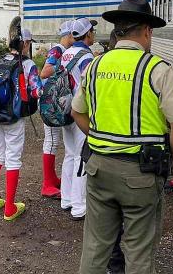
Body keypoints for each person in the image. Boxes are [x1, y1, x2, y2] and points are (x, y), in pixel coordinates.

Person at [72, 0, 173, 274]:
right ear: (147, 31)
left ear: (118, 30)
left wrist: (102, 140)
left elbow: (77, 113)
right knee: (139, 251)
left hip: (99, 168)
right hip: (142, 172)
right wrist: (168, 159)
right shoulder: (157, 69)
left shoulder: (95, 66)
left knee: (95, 247)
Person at [0, 28, 41, 221]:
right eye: (29, 42)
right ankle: (9, 208)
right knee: (13, 158)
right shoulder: (27, 64)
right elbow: (37, 92)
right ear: (25, 44)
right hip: (13, 117)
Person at [60, 17, 96, 221]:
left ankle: (67, 198)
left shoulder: (67, 53)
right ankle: (79, 206)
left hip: (65, 109)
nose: (94, 34)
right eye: (92, 31)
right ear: (87, 34)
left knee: (70, 154)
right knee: (82, 157)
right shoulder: (86, 56)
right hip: (80, 110)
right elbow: (88, 85)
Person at [38, 19, 73, 199]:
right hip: (50, 103)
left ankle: (52, 178)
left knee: (54, 141)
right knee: (51, 141)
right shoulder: (58, 51)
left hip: (53, 102)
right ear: (67, 35)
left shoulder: (63, 51)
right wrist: (64, 66)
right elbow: (44, 71)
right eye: (73, 34)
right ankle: (47, 184)